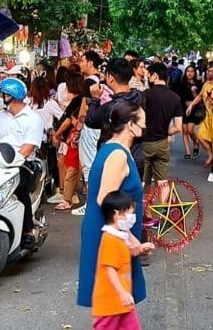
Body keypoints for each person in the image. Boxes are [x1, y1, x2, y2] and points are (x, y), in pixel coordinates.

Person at [77, 100, 155, 312]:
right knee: (114, 299)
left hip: (114, 232)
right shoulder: (118, 155)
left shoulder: (116, 148)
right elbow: (105, 199)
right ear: (131, 125)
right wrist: (129, 237)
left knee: (118, 300)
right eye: (143, 124)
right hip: (108, 234)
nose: (145, 129)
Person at [0, 77, 45, 248]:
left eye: (2, 94)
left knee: (19, 189)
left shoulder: (33, 119)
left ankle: (28, 231)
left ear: (10, 96)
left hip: (22, 166)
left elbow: (27, 149)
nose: (0, 97)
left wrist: (9, 163)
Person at [92, 190, 151, 330]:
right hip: (110, 304)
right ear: (118, 214)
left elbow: (123, 255)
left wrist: (141, 248)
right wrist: (122, 293)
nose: (132, 217)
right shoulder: (110, 240)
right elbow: (109, 268)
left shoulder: (118, 236)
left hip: (122, 303)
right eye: (130, 213)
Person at [142, 63, 183, 186]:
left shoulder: (146, 95)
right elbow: (177, 127)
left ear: (155, 75)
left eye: (149, 76)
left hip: (145, 142)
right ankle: (164, 205)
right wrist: (165, 131)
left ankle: (145, 204)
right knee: (163, 182)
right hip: (163, 143)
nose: (148, 78)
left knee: (143, 180)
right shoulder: (175, 98)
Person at [74, 78, 105, 216]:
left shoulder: (86, 100)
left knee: (87, 166)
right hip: (100, 130)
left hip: (88, 130)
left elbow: (82, 117)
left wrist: (76, 133)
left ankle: (90, 204)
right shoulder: (103, 99)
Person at [53, 96, 87, 210]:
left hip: (73, 159)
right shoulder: (77, 131)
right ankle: (73, 196)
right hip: (72, 158)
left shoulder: (76, 131)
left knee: (69, 179)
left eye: (73, 119)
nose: (71, 121)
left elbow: (69, 142)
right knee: (73, 178)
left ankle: (66, 200)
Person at [174, 65, 204, 160]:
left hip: (194, 109)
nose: (189, 73)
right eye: (188, 71)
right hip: (183, 108)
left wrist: (194, 93)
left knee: (190, 130)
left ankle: (196, 143)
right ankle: (187, 151)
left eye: (192, 71)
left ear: (195, 73)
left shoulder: (198, 84)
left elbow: (200, 99)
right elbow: (178, 96)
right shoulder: (181, 83)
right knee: (184, 130)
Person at [193, 64, 213, 167]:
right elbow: (200, 96)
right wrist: (191, 105)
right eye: (209, 71)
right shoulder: (206, 84)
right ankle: (210, 155)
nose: (209, 73)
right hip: (207, 115)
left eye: (212, 71)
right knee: (200, 136)